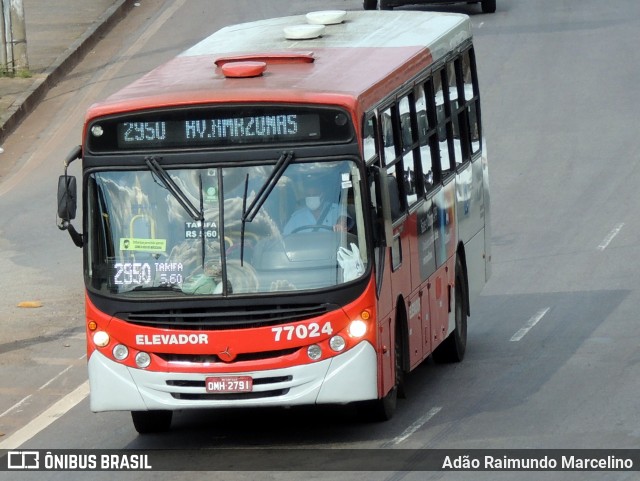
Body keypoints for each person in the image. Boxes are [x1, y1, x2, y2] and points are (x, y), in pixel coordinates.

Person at [283, 183, 349, 235]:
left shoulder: (335, 209)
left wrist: (340, 224)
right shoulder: (297, 216)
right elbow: (285, 237)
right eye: (308, 195)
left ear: (322, 195)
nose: (311, 198)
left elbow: (343, 216)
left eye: (314, 195)